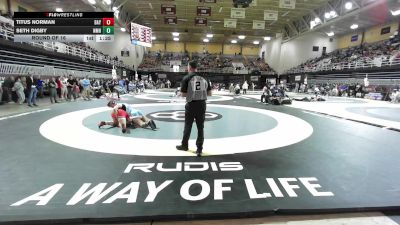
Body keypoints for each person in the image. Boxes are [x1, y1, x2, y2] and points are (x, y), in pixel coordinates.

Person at [176, 60, 212, 157]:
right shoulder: (205, 78)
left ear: (190, 67)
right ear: (196, 67)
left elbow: (183, 94)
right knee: (200, 128)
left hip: (191, 105)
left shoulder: (186, 78)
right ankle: (199, 149)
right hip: (201, 105)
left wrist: (189, 93)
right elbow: (210, 93)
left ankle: (184, 145)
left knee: (188, 126)